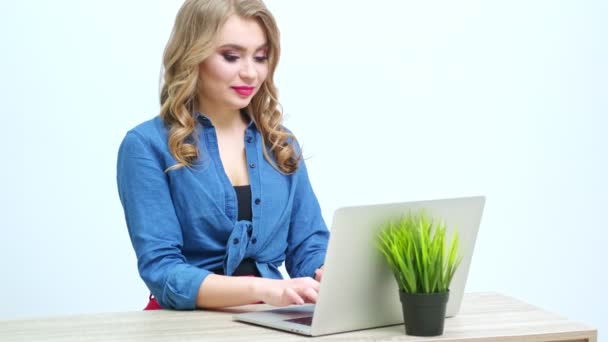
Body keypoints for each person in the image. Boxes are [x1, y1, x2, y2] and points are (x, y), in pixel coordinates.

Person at [116, 0, 329, 310]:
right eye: (231, 56)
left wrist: (329, 274)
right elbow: (163, 273)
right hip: (183, 327)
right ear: (193, 56)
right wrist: (265, 288)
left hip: (269, 319)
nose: (250, 73)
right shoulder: (146, 146)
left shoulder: (280, 144)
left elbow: (308, 245)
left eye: (260, 57)